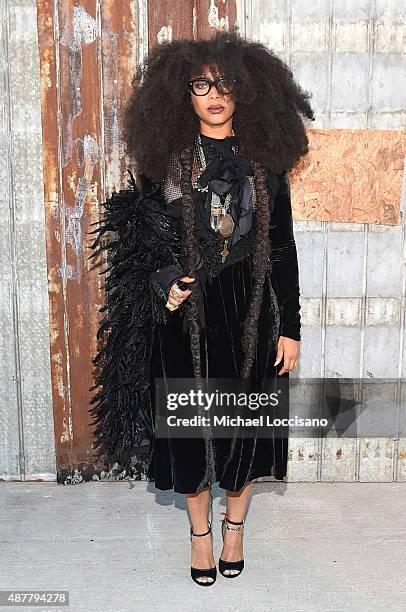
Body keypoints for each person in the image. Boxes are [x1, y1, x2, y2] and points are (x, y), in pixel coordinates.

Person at [88, 29, 314, 586]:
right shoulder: (165, 162)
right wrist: (166, 281)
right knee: (191, 429)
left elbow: (282, 250)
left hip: (253, 314)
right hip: (186, 313)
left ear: (247, 92)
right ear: (182, 94)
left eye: (225, 83)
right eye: (200, 84)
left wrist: (291, 329)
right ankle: (200, 535)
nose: (213, 94)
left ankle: (235, 526)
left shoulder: (267, 163)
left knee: (245, 425)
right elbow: (140, 242)